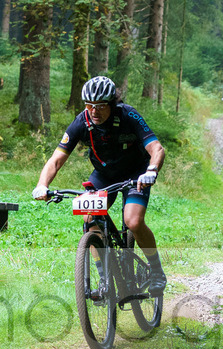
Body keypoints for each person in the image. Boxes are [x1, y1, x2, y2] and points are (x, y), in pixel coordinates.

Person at [32, 75, 167, 293]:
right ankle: (105, 280)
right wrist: (42, 184)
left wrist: (151, 170)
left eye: (101, 106)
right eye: (89, 105)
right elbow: (56, 159)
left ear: (112, 104)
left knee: (133, 221)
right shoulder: (82, 121)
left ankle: (157, 271)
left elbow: (156, 148)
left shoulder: (128, 115)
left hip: (136, 173)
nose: (94, 111)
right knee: (89, 219)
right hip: (104, 174)